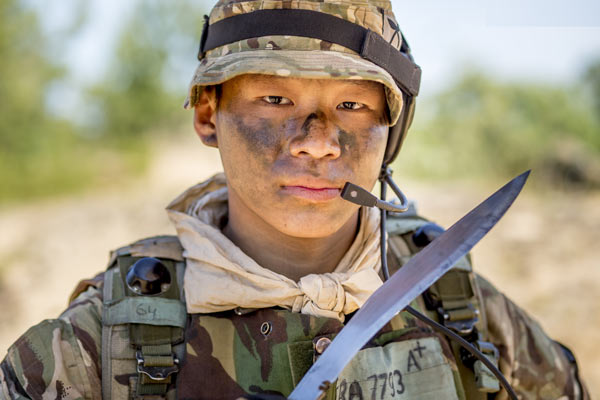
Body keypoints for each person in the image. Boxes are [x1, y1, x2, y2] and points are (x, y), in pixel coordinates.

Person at [0, 0, 590, 399]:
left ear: (393, 129)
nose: (316, 142)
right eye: (274, 101)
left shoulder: (454, 301)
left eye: (352, 106)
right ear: (209, 114)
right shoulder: (93, 348)